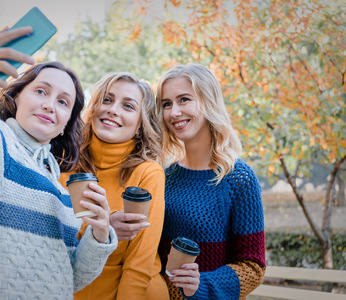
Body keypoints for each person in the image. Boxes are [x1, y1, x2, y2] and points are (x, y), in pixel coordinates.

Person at [0, 26, 117, 300]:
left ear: (66, 122)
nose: (50, 105)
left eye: (63, 102)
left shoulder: (59, 187)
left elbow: (70, 278)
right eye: (41, 91)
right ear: (17, 95)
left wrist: (100, 234)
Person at [156, 63, 266, 299]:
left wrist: (200, 286)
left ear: (208, 102)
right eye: (167, 104)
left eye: (184, 99)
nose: (174, 112)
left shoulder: (238, 179)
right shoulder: (161, 177)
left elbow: (253, 267)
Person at [59, 72, 169, 299]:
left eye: (128, 106)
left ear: (141, 124)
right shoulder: (64, 162)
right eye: (107, 100)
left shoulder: (148, 173)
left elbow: (140, 264)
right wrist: (103, 228)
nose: (113, 109)